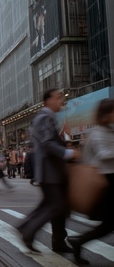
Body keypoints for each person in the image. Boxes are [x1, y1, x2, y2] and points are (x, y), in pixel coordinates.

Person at [17, 88, 80, 253]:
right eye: (58, 97)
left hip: (52, 172)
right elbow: (47, 142)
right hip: (49, 172)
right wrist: (67, 153)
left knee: (54, 205)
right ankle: (28, 232)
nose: (61, 101)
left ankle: (56, 241)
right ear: (48, 100)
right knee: (56, 205)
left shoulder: (48, 118)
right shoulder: (45, 117)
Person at [67, 98, 114, 265]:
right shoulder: (99, 132)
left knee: (109, 224)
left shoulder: (110, 130)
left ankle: (79, 241)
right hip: (106, 181)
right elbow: (103, 154)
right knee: (109, 224)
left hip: (110, 179)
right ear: (107, 113)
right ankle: (79, 241)